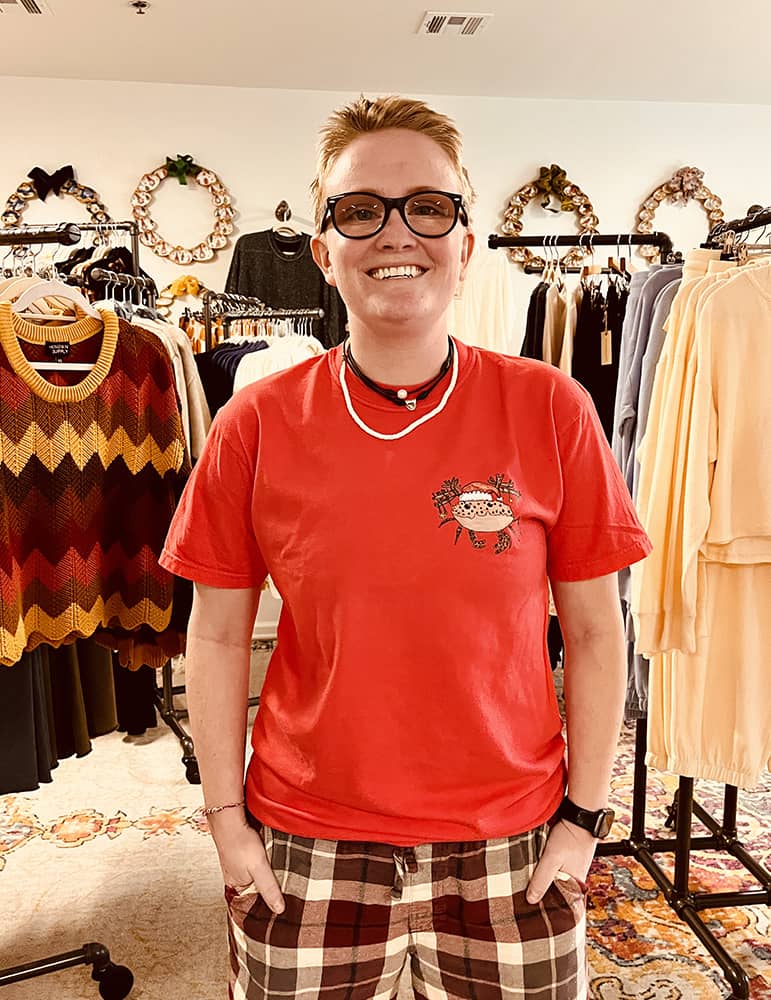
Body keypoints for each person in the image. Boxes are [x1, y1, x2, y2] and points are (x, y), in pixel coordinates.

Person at [160, 95, 651, 1000]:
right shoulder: (254, 422)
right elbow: (219, 634)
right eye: (359, 210)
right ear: (323, 251)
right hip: (305, 836)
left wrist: (584, 816)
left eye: (428, 207)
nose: (396, 233)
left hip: (515, 841)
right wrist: (226, 821)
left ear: (466, 244)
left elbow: (593, 632)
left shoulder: (551, 408)